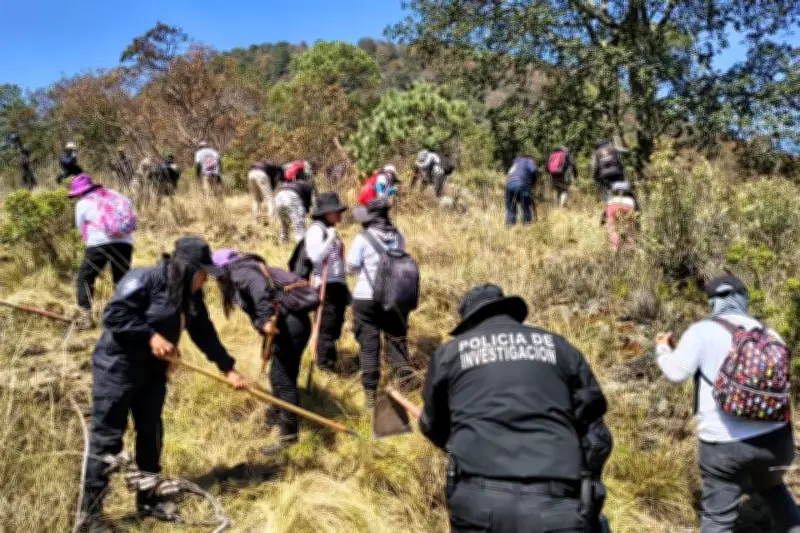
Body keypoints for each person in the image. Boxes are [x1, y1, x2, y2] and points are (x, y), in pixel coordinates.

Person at [78, 237, 248, 533]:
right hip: (117, 368)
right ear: (187, 268)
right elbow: (115, 315)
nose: (206, 279)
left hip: (153, 373)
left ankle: (149, 499)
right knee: (107, 439)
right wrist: (150, 336)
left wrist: (228, 368)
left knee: (151, 433)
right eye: (203, 273)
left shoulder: (191, 297)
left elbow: (204, 333)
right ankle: (90, 514)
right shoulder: (145, 279)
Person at [419, 284, 607, 533]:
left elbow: (431, 425)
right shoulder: (560, 348)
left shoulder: (449, 354)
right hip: (558, 505)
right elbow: (597, 434)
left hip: (479, 504)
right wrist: (588, 487)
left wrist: (463, 442)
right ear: (509, 312)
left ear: (469, 322)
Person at [655, 275, 800, 533]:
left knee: (718, 520)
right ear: (743, 298)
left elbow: (676, 373)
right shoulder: (770, 334)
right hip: (776, 441)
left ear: (712, 302)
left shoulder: (701, 331)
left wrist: (663, 349)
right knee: (773, 489)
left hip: (724, 445)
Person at [212, 248, 311, 454]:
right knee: (279, 376)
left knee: (283, 380)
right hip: (288, 326)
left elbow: (259, 287)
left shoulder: (240, 272)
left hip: (290, 327)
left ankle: (288, 436)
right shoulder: (246, 268)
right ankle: (276, 416)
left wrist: (265, 319)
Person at [347, 198, 413, 407]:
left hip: (366, 298)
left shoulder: (362, 238)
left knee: (369, 346)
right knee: (397, 341)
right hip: (394, 298)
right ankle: (405, 388)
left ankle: (370, 396)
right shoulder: (398, 235)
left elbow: (351, 267)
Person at [69, 174, 135, 330]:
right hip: (125, 242)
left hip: (99, 243)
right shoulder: (118, 196)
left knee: (85, 278)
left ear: (80, 192)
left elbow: (81, 228)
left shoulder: (83, 203)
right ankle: (126, 316)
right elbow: (129, 211)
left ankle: (86, 317)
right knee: (122, 279)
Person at [305, 192, 349, 373]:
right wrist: (330, 239)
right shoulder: (317, 230)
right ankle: (325, 366)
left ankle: (331, 362)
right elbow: (315, 256)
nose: (339, 214)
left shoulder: (330, 229)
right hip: (325, 285)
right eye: (336, 211)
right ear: (326, 212)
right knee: (326, 327)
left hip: (336, 284)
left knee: (335, 326)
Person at [274, 168, 315, 244]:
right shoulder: (308, 185)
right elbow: (310, 203)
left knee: (284, 223)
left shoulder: (288, 183)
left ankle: (283, 242)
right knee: (299, 226)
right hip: (291, 197)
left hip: (278, 197)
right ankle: (301, 246)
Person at [601, 181, 640, 251]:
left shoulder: (611, 198)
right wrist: (638, 224)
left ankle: (614, 247)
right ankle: (631, 246)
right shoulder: (631, 198)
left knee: (613, 229)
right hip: (628, 206)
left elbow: (604, 213)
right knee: (630, 229)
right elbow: (637, 211)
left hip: (612, 206)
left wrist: (602, 222)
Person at [505, 155, 538, 225]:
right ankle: (527, 224)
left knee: (510, 208)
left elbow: (509, 173)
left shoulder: (516, 162)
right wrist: (533, 183)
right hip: (522, 184)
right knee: (525, 206)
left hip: (509, 184)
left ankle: (510, 226)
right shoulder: (529, 160)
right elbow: (533, 170)